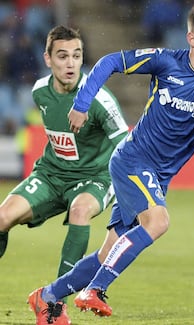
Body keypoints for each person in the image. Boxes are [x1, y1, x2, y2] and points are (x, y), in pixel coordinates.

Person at [28, 2, 194, 324]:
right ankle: (95, 290)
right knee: (158, 222)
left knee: (108, 253)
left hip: (157, 174)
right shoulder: (166, 62)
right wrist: (83, 102)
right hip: (133, 159)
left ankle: (46, 296)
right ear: (193, 38)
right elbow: (110, 62)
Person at [0, 24, 128, 322]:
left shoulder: (99, 99)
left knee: (81, 210)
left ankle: (54, 302)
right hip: (51, 174)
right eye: (62, 56)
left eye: (76, 55)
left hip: (96, 176)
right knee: (3, 217)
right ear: (47, 59)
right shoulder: (39, 92)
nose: (70, 63)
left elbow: (125, 145)